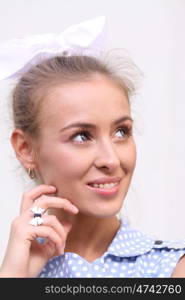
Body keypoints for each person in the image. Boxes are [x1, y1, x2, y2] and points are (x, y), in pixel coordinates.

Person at [0, 18, 185, 278]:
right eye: (81, 136)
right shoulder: (17, 272)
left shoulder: (170, 270)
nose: (111, 160)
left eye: (121, 132)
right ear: (26, 149)